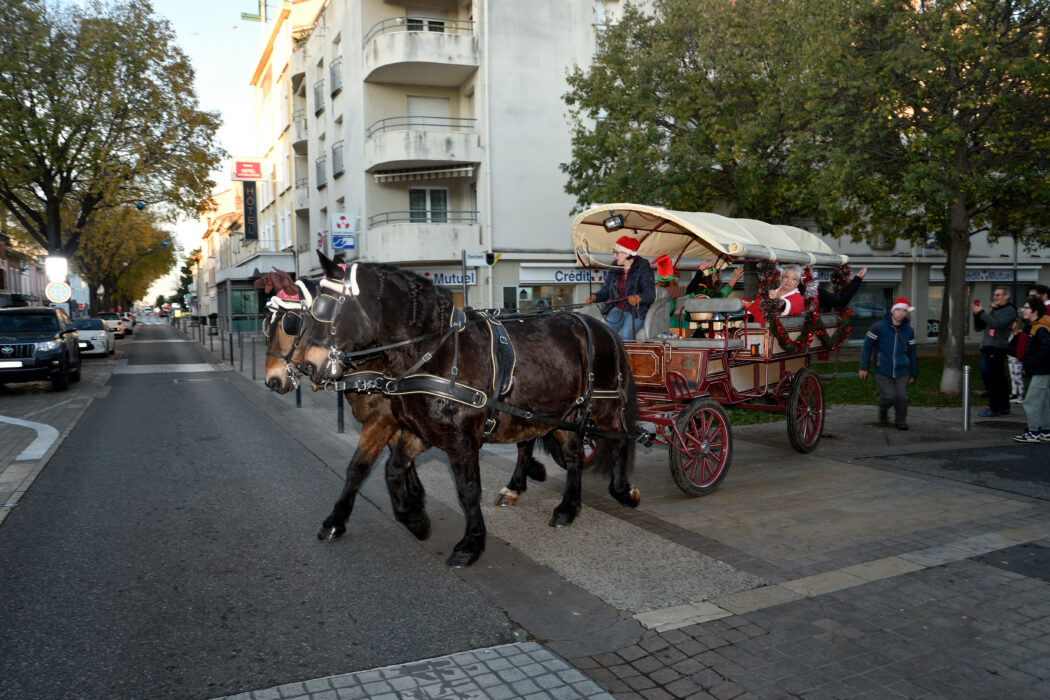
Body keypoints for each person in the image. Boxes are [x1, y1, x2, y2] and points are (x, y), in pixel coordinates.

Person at [859, 297, 918, 430]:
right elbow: (867, 347)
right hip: (883, 369)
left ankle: (900, 421)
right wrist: (864, 367)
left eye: (904, 311)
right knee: (889, 396)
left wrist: (913, 372)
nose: (900, 313)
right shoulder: (878, 327)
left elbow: (912, 353)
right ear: (892, 311)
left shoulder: (909, 330)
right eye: (898, 310)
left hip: (902, 370)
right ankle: (883, 409)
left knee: (902, 397)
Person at [584, 235, 655, 341]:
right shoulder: (615, 266)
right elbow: (607, 289)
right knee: (605, 334)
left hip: (636, 311)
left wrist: (638, 298)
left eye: (617, 253)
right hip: (618, 308)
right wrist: (595, 297)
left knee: (625, 336)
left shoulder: (643, 267)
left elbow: (650, 294)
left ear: (627, 253)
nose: (614, 256)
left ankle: (625, 357)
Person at [973, 286, 1017, 417]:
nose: (995, 297)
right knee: (993, 375)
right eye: (994, 295)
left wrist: (982, 313)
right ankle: (1003, 405)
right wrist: (977, 315)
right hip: (987, 346)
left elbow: (997, 324)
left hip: (997, 347)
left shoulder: (1009, 310)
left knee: (994, 378)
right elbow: (980, 327)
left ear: (1006, 296)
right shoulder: (996, 310)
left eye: (998, 295)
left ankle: (994, 407)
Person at [1012, 296, 1050, 443]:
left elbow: (1047, 348)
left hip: (1041, 370)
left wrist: (1031, 361)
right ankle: (1046, 431)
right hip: (1044, 369)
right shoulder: (1037, 325)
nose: (1023, 310)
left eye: (1026, 307)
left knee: (1031, 401)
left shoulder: (1040, 328)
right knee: (1044, 401)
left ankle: (1033, 432)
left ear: (1035, 311)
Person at [1008, 317, 1026, 404]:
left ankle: (1021, 394)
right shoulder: (1011, 334)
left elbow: (1019, 347)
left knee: (1018, 377)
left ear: (1017, 324)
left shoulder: (1020, 335)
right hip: (1010, 358)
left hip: (1016, 359)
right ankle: (1014, 393)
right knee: (1013, 377)